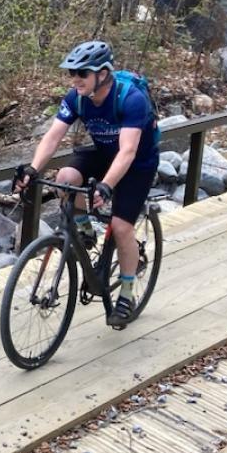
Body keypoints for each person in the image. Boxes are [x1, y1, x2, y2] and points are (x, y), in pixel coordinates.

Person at [13, 40, 159, 328]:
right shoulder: (77, 98)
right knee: (65, 179)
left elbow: (128, 151)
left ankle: (127, 295)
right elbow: (53, 136)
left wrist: (106, 186)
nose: (75, 79)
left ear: (102, 74)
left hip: (137, 164)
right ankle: (84, 230)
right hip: (104, 154)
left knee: (120, 227)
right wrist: (32, 168)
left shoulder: (130, 99)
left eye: (82, 73)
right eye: (72, 73)